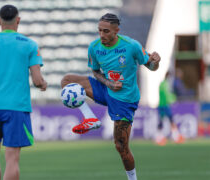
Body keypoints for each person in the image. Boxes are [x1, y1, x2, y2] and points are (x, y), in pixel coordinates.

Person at [61, 13, 160, 180]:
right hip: (107, 88)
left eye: (106, 31)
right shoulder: (94, 47)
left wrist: (156, 62)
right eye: (99, 30)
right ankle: (90, 118)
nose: (101, 35)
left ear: (116, 31)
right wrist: (108, 83)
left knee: (121, 146)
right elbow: (95, 71)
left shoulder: (131, 45)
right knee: (67, 81)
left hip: (125, 98)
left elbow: (151, 66)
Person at [0, 5, 47, 180]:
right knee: (12, 158)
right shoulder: (29, 45)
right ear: (18, 20)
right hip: (17, 108)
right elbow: (37, 80)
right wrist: (43, 84)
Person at [155, 71, 185, 146]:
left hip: (161, 105)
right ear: (168, 77)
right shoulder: (165, 84)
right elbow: (167, 95)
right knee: (171, 120)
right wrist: (173, 99)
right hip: (165, 105)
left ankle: (159, 138)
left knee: (161, 121)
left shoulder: (162, 84)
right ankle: (175, 137)